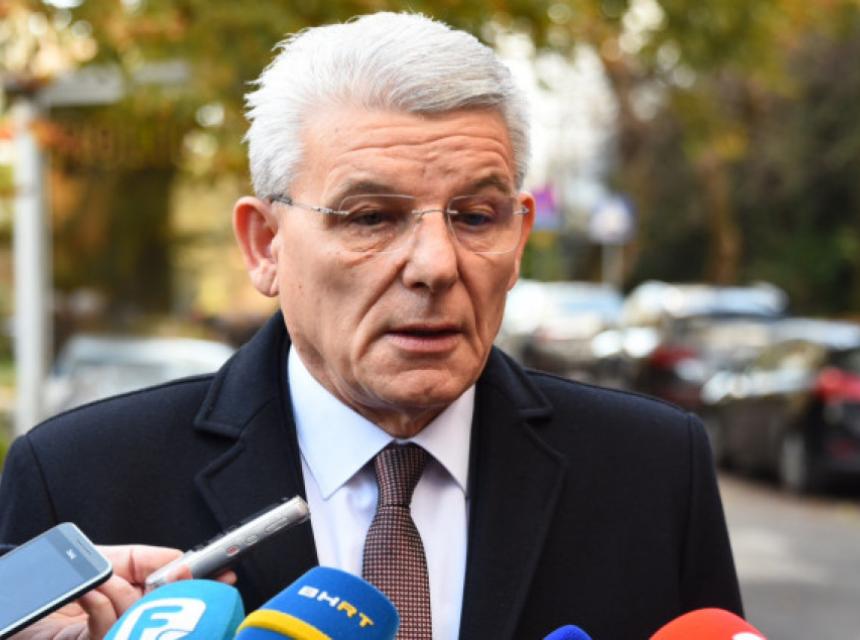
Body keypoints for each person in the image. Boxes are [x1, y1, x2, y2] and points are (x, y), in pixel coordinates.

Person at [0, 12, 742, 639]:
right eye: (371, 217)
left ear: (518, 239)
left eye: (474, 216)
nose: (435, 265)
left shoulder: (653, 469)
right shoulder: (77, 480)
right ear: (265, 245)